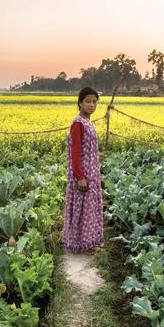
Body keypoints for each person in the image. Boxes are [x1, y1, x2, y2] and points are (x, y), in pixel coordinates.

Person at [62, 87, 105, 254]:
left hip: (91, 173)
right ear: (80, 102)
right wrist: (80, 177)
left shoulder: (87, 121)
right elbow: (76, 152)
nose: (92, 105)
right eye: (88, 101)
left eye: (94, 102)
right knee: (82, 210)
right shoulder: (78, 123)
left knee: (89, 209)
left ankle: (89, 241)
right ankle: (81, 244)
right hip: (83, 174)